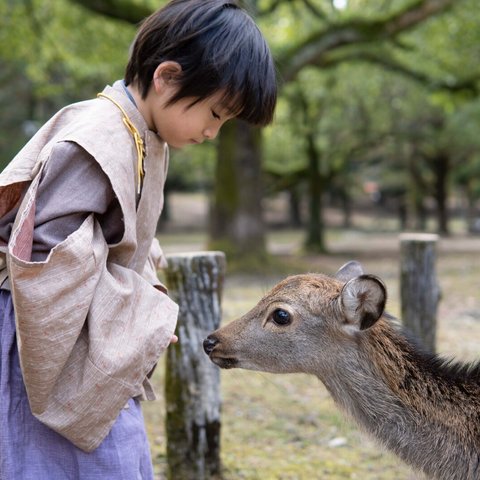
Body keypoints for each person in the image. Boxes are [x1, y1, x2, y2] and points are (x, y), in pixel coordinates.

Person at [0, 0, 277, 478]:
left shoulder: (144, 132)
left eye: (224, 122)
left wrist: (141, 272)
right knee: (77, 458)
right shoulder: (99, 137)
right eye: (214, 113)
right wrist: (136, 313)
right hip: (42, 340)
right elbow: (46, 259)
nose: (213, 132)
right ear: (167, 78)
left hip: (78, 335)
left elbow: (117, 233)